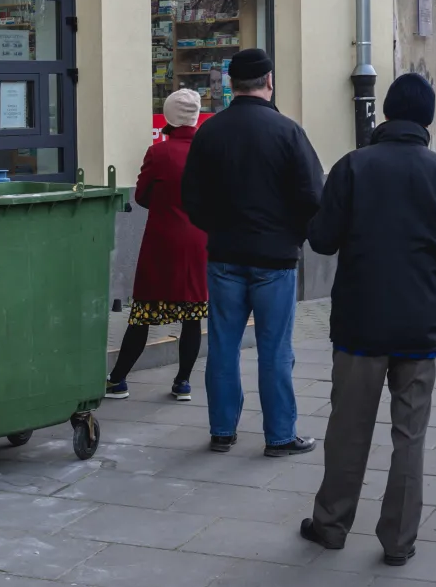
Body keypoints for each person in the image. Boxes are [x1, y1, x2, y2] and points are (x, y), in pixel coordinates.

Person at [297, 73, 436, 566]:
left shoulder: (354, 167)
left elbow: (322, 239)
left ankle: (331, 524)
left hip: (360, 323)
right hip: (421, 324)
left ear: (386, 114)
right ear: (427, 119)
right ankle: (399, 541)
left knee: (348, 429)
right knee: (410, 437)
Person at [181, 48, 323, 457]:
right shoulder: (287, 131)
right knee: (275, 349)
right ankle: (279, 436)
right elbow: (313, 194)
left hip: (224, 255)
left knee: (223, 346)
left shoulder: (209, 132)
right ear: (269, 81)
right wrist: (292, 234)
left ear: (231, 84)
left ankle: (222, 431)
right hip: (275, 259)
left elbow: (191, 197)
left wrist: (217, 228)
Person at [105, 89, 209, 402]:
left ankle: (119, 379)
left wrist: (164, 204)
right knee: (192, 317)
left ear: (168, 117)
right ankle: (183, 383)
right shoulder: (210, 153)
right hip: (199, 242)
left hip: (163, 242)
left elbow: (141, 196)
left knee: (143, 315)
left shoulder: (159, 153)